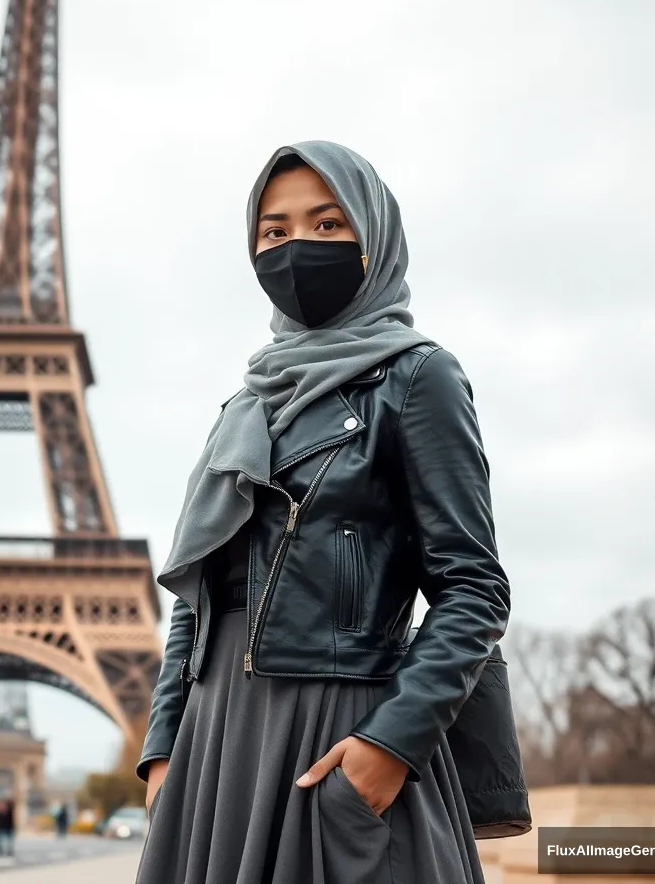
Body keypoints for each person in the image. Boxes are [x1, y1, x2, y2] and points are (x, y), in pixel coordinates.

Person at [135, 142, 524, 884]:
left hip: (340, 734)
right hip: (216, 748)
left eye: (326, 224)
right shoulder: (246, 407)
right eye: (274, 232)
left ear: (373, 238)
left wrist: (390, 748)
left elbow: (474, 587)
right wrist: (163, 749)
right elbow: (199, 598)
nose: (296, 249)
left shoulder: (418, 378)